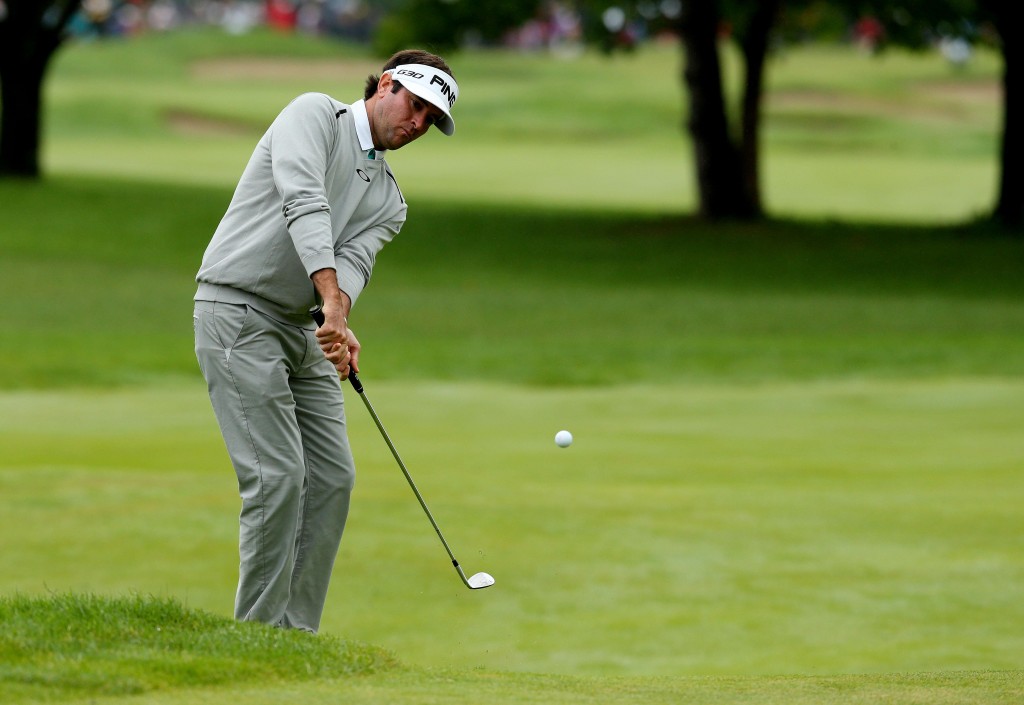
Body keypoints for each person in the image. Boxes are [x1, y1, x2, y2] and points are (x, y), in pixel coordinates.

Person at [192, 49, 458, 633]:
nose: (417, 124)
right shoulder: (313, 116)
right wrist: (331, 303)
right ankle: (256, 636)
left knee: (333, 477)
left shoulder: (391, 200)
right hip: (237, 311)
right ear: (386, 85)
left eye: (430, 120)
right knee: (278, 476)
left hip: (301, 326)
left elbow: (354, 261)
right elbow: (303, 202)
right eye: (415, 105)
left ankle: (296, 636)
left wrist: (338, 313)